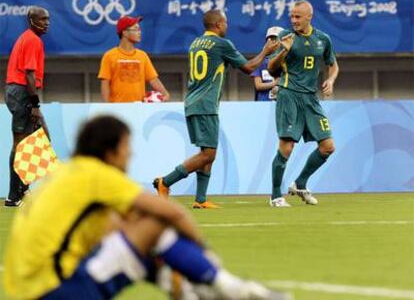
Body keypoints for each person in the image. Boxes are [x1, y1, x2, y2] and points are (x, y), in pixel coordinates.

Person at [3, 115, 290, 300]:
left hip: (24, 290)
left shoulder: (66, 175)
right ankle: (226, 286)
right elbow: (173, 213)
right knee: (155, 224)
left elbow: (117, 231)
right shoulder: (97, 175)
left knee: (136, 235)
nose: (131, 154)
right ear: (110, 152)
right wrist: (205, 255)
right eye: (127, 147)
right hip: (57, 291)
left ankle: (186, 288)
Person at [153, 10, 279, 208]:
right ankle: (165, 181)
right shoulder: (222, 44)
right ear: (219, 24)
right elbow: (248, 68)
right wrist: (265, 52)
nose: (227, 26)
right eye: (226, 22)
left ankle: (200, 199)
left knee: (207, 150)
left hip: (193, 101)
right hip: (206, 104)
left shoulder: (195, 43)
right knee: (208, 154)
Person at [267, 0, 339, 207]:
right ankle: (275, 196)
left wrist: (331, 80)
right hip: (289, 95)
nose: (294, 20)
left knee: (327, 147)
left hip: (311, 99)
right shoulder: (285, 37)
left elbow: (333, 66)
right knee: (286, 147)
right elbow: (272, 69)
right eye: (292, 16)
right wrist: (283, 51)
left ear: (309, 17)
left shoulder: (322, 39)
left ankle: (300, 183)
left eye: (298, 16)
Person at [4, 6, 50, 207]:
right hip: (22, 92)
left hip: (17, 92)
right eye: (42, 19)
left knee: (37, 139)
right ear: (32, 21)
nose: (46, 23)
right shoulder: (33, 40)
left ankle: (19, 191)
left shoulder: (27, 38)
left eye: (48, 19)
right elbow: (29, 74)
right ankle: (17, 195)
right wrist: (34, 105)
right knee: (23, 144)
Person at [98, 16, 170, 103]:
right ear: (124, 32)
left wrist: (165, 93)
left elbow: (153, 79)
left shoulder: (142, 55)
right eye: (135, 29)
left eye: (139, 29)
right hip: (117, 107)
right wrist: (107, 106)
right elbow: (105, 83)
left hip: (139, 107)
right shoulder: (109, 56)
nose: (139, 32)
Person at [250, 26, 284, 101]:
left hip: (283, 104)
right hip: (263, 106)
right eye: (270, 39)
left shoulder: (289, 62)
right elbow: (258, 85)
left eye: (276, 39)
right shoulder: (260, 61)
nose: (273, 42)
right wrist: (275, 83)